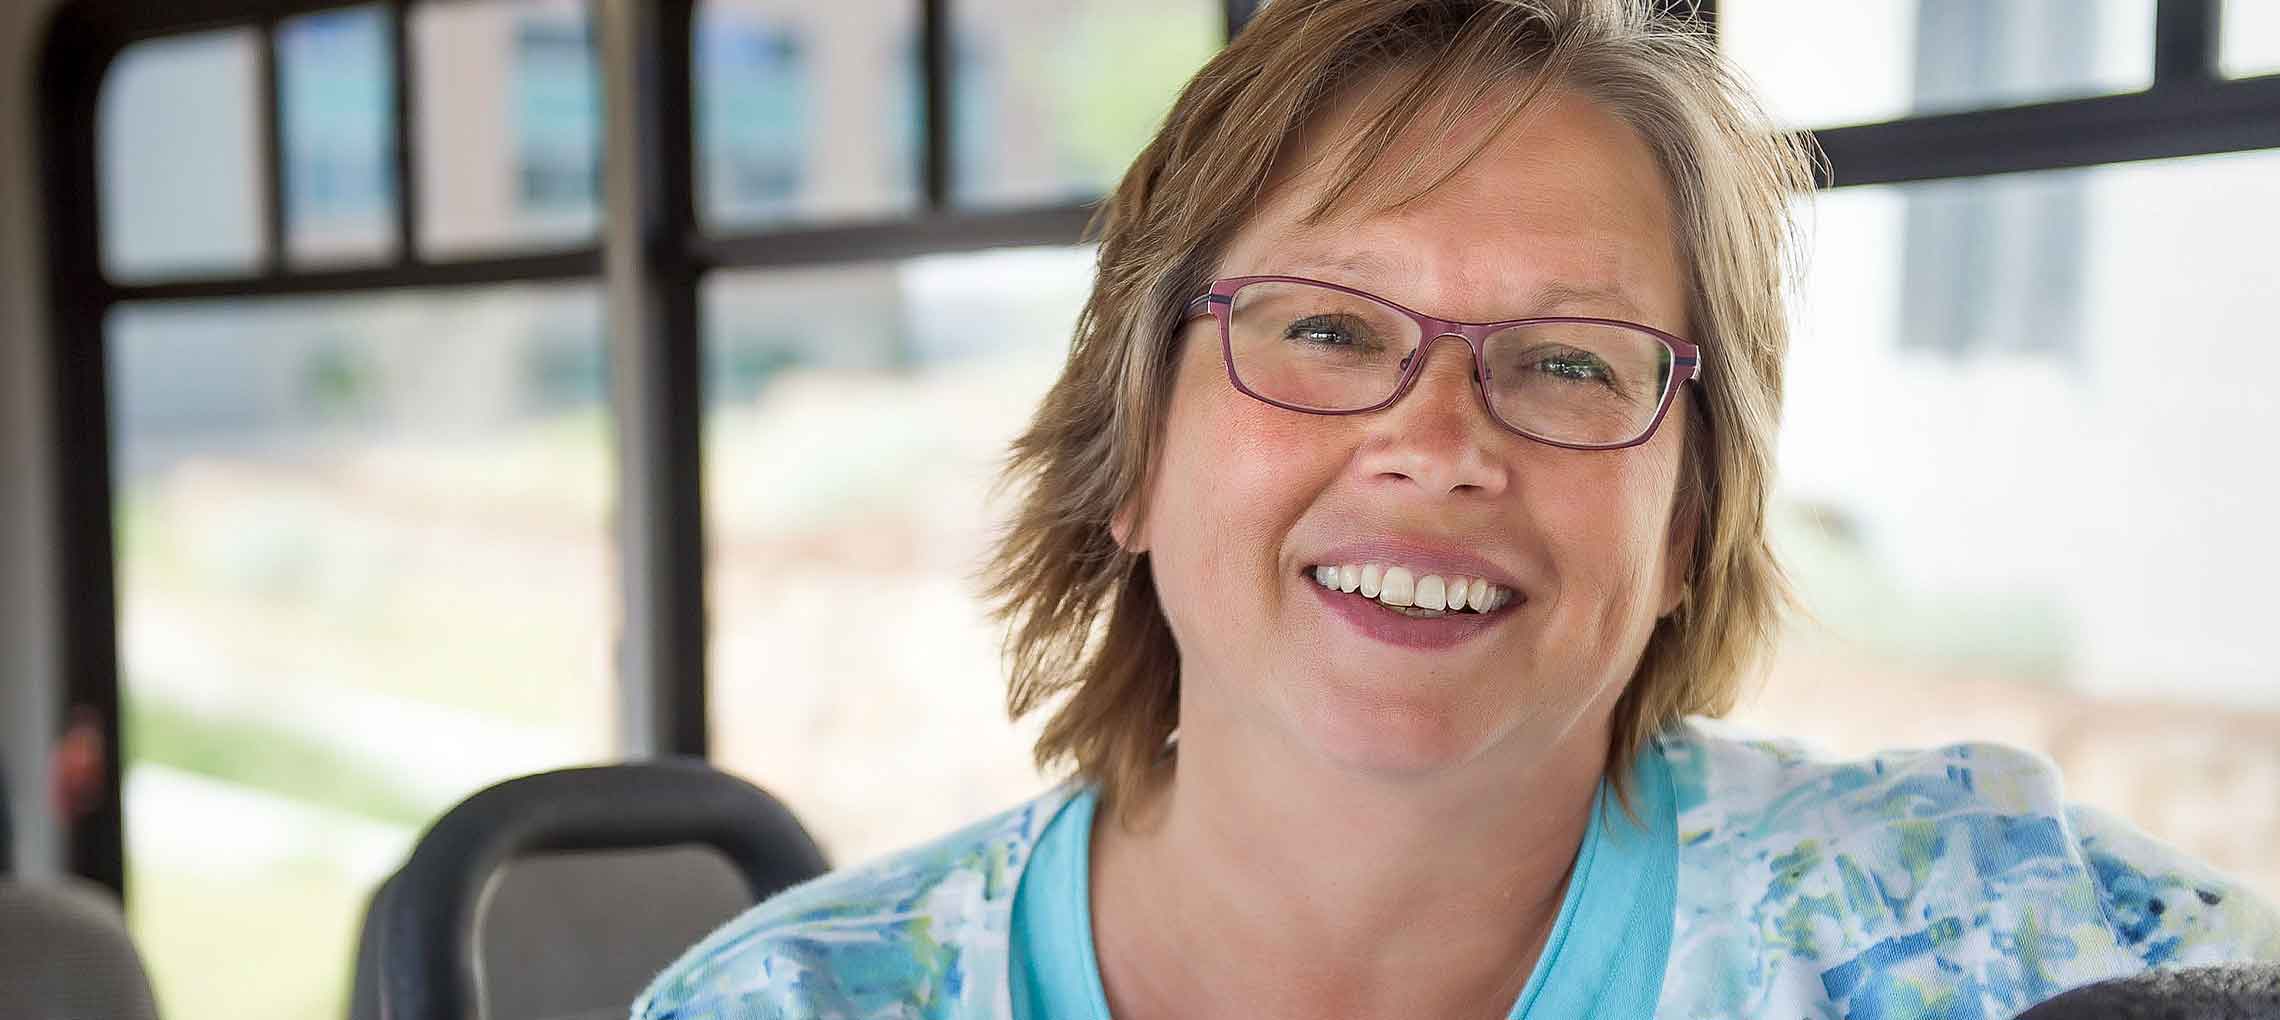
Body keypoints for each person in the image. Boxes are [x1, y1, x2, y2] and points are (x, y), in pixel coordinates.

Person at [634, 2, 2280, 1017]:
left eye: (1569, 362)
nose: (1439, 445)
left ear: (1689, 518)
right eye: (1328, 330)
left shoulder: (1997, 937)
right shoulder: (787, 1007)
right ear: (1130, 449)